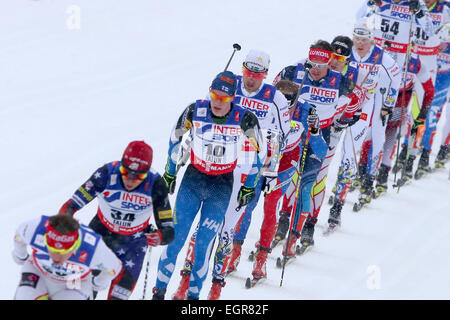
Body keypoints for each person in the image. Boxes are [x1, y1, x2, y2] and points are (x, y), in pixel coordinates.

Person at [171, 50, 289, 300]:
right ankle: (186, 281)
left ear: (265, 75)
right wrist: (185, 154)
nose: (251, 79)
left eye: (257, 74)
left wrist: (269, 172)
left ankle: (216, 285)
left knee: (225, 229)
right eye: (247, 72)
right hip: (215, 164)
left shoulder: (275, 97)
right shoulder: (227, 85)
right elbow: (202, 121)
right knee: (201, 229)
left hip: (247, 167)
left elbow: (278, 138)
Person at [152, 71, 264, 300]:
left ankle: (193, 298)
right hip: (193, 180)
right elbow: (175, 139)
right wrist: (170, 173)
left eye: (224, 98)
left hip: (221, 187)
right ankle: (159, 293)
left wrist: (249, 186)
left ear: (233, 98)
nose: (218, 102)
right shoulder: (196, 110)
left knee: (202, 246)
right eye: (215, 95)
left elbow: (258, 155)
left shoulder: (246, 118)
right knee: (175, 241)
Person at [271, 40, 365, 256]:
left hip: (322, 135)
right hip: (295, 132)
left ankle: (307, 228)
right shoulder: (295, 71)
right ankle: (284, 220)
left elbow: (357, 99)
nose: (315, 70)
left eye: (320, 66)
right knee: (288, 177)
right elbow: (272, 91)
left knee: (312, 182)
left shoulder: (339, 80)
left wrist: (343, 120)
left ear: (329, 63)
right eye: (312, 64)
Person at [59, 140, 175, 300]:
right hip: (99, 236)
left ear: (146, 173)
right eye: (126, 172)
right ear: (121, 166)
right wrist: (65, 224)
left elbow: (169, 230)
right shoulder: (106, 174)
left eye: (138, 177)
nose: (130, 180)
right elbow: (71, 205)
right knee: (77, 294)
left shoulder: (156, 184)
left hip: (133, 247)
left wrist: (159, 237)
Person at [245, 79, 327, 283]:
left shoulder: (305, 111)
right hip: (264, 157)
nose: (284, 105)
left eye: (289, 101)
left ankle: (265, 258)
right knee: (248, 203)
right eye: (280, 99)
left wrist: (315, 130)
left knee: (272, 204)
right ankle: (234, 252)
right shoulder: (267, 105)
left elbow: (321, 149)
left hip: (287, 161)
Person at [328, 23, 401, 219]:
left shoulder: (379, 55)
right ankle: (341, 185)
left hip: (367, 104)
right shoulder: (345, 51)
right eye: (357, 39)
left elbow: (396, 77)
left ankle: (365, 183)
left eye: (365, 40)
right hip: (343, 103)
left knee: (361, 146)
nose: (360, 44)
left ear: (372, 40)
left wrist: (388, 104)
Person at [12, 214, 122, 300]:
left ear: (75, 246)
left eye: (62, 252)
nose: (55, 258)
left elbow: (115, 267)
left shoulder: (93, 248)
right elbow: (19, 236)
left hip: (73, 282)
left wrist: (99, 282)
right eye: (51, 250)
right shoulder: (35, 229)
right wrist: (20, 254)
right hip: (38, 271)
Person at [376, 52, 435, 189]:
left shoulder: (416, 63)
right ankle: (365, 171)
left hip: (401, 101)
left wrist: (423, 114)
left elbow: (429, 91)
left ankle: (385, 173)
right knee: (376, 131)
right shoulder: (386, 57)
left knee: (392, 131)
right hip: (383, 98)